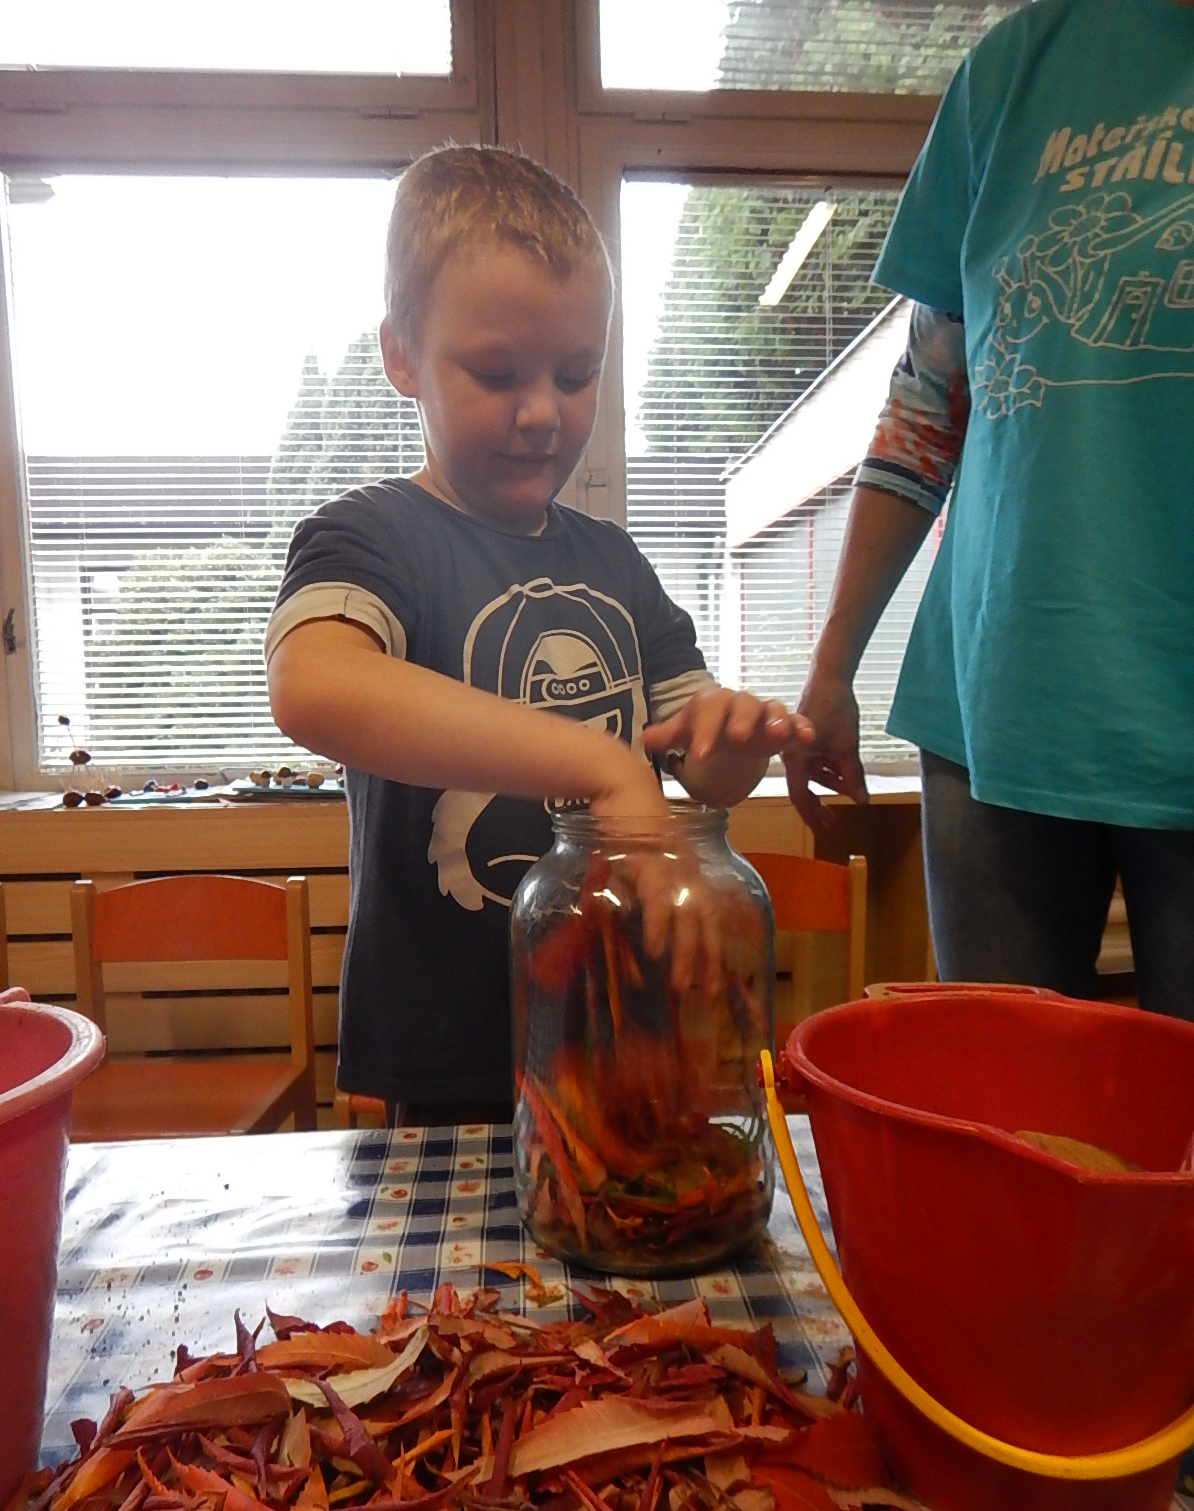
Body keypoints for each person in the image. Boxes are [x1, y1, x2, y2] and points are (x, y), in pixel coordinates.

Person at [266, 144, 810, 1122]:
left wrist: (732, 740)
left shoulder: (616, 562)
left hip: (616, 1032)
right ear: (402, 356)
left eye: (577, 374)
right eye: (497, 372)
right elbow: (314, 685)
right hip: (446, 1055)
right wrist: (602, 767)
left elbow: (701, 768)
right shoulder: (373, 537)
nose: (542, 413)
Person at [783, 0, 1194, 1020]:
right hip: (990, 712)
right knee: (998, 1101)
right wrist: (832, 665)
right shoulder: (1011, 70)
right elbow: (929, 397)